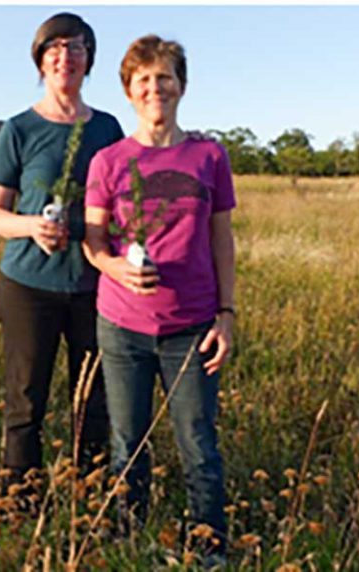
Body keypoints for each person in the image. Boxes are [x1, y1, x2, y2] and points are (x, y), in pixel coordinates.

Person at [83, 35, 236, 564]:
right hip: (122, 326)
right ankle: (127, 538)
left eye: (165, 77)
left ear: (182, 86)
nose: (155, 88)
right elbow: (94, 240)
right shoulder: (108, 160)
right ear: (128, 91)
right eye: (143, 79)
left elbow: (221, 238)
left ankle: (208, 545)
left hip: (192, 326)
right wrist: (116, 269)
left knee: (198, 442)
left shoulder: (208, 155)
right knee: (127, 441)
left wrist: (227, 315)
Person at [0, 13, 124, 501]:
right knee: (26, 400)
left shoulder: (108, 128)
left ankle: (90, 496)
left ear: (89, 60)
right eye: (55, 47)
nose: (66, 56)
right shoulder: (18, 129)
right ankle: (20, 501)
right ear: (41, 60)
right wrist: (31, 227)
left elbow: (126, 203)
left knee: (94, 400)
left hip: (95, 285)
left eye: (77, 47)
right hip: (28, 288)